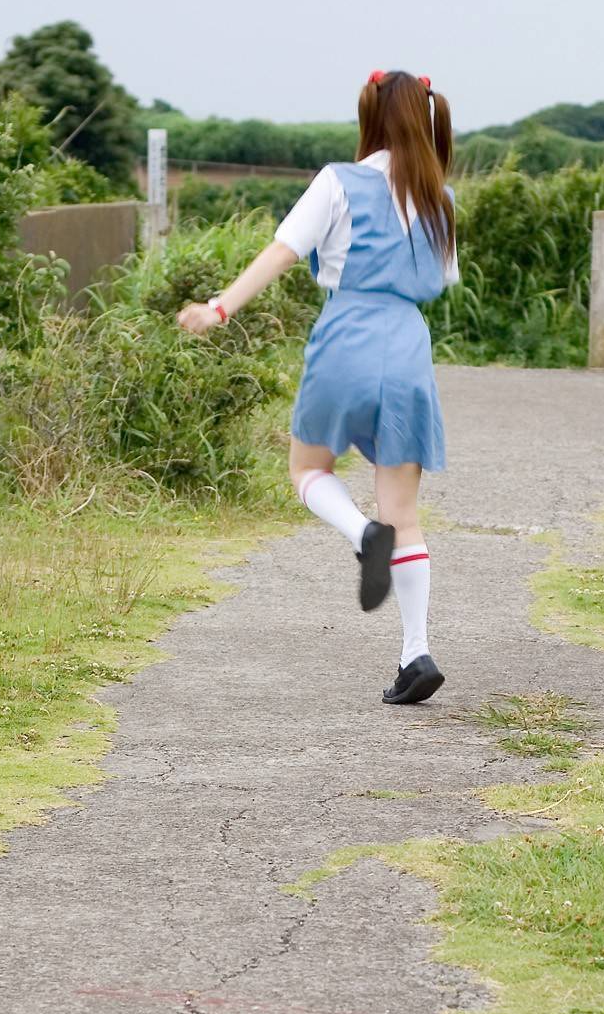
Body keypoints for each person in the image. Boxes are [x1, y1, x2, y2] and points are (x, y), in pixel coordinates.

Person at [176, 69, 455, 705]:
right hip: (408, 343)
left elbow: (281, 252)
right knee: (405, 512)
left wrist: (219, 309)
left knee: (307, 470)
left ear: (371, 116)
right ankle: (416, 652)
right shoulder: (442, 198)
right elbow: (441, 276)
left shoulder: (338, 180)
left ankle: (362, 537)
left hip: (347, 331)